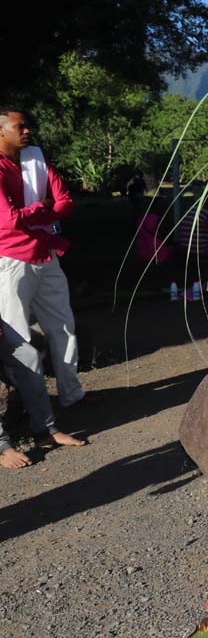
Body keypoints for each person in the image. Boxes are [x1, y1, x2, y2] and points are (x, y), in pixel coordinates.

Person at [0, 109, 87, 469]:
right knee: (21, 344)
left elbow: (65, 202)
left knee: (63, 326)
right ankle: (39, 425)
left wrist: (36, 215)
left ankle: (71, 397)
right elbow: (8, 220)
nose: (27, 130)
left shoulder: (35, 160)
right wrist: (43, 209)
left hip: (46, 255)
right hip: (11, 260)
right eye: (19, 126)